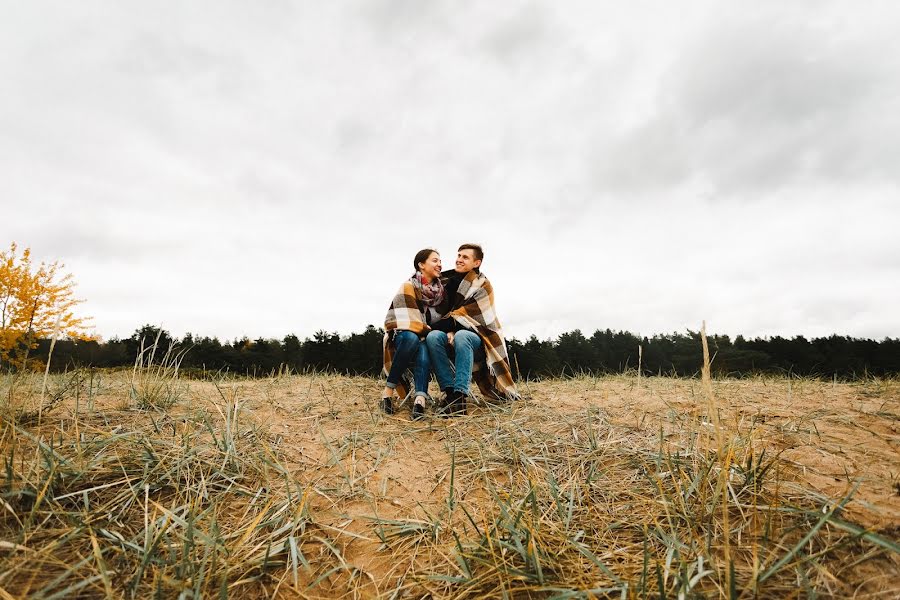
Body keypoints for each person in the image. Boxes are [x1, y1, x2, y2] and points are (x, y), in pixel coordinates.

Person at [426, 243, 519, 416]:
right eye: (459, 255)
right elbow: (436, 311)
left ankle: (461, 396)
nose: (459, 259)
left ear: (476, 263)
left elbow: (470, 317)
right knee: (432, 337)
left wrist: (453, 328)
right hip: (449, 336)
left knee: (462, 335)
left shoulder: (482, 285)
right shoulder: (444, 282)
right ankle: (450, 394)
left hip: (480, 342)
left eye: (465, 257)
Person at [382, 248, 446, 420]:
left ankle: (420, 400)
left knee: (424, 347)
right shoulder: (408, 286)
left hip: (428, 336)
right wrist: (423, 329)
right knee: (412, 338)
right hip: (403, 334)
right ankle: (387, 393)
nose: (439, 264)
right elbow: (403, 319)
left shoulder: (440, 291)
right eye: (434, 260)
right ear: (421, 265)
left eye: (440, 261)